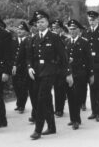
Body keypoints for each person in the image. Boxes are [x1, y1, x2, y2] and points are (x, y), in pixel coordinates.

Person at [27, 10, 73, 140]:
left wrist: (68, 73)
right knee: (46, 100)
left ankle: (38, 130)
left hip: (50, 72)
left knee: (41, 99)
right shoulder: (34, 38)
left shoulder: (54, 37)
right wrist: (29, 67)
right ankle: (52, 127)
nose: (40, 24)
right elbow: (29, 57)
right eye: (38, 22)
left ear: (47, 22)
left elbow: (64, 57)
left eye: (42, 22)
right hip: (37, 73)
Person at [65, 19, 94, 130]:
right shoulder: (66, 42)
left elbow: (89, 59)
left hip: (80, 74)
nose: (72, 31)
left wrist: (91, 74)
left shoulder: (84, 42)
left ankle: (76, 120)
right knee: (70, 97)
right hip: (69, 74)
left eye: (74, 29)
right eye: (70, 29)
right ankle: (73, 118)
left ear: (78, 30)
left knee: (77, 98)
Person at [12, 21, 30, 114]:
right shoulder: (13, 41)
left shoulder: (28, 41)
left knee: (23, 87)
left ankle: (21, 105)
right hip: (15, 68)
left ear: (26, 31)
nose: (19, 31)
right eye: (18, 29)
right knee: (16, 86)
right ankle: (19, 103)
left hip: (25, 68)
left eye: (22, 29)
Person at [50, 19, 67, 118]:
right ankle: (54, 108)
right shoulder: (50, 38)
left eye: (56, 28)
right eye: (53, 28)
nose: (54, 30)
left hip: (61, 67)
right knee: (54, 89)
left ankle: (59, 109)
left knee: (60, 89)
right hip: (52, 67)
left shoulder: (65, 39)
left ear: (61, 29)